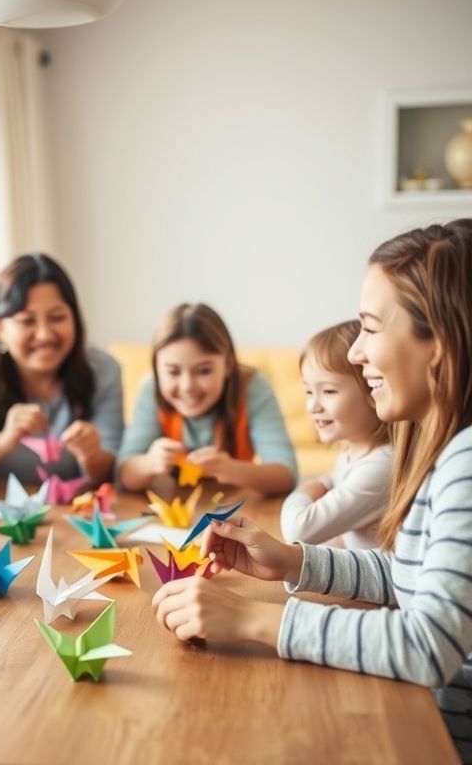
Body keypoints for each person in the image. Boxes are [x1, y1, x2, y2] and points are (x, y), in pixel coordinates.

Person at [152, 219, 472, 761]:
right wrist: (294, 561)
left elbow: (427, 647)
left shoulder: (465, 461)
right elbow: (416, 580)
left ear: (437, 344)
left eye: (370, 328)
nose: (355, 353)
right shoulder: (446, 452)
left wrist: (254, 619)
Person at [0, 253, 124, 485]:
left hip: (69, 514)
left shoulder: (103, 369)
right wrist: (4, 440)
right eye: (27, 321)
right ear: (0, 328)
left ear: (75, 320)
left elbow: (112, 471)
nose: (45, 335)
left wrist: (92, 454)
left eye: (57, 317)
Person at [117, 303, 296, 495]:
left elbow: (286, 476)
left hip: (237, 508)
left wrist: (231, 469)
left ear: (228, 364)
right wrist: (148, 464)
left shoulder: (253, 388)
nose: (187, 386)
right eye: (173, 372)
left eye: (203, 371)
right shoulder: (151, 389)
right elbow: (123, 474)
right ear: (157, 369)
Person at [280, 320, 392, 548]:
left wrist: (308, 488)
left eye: (328, 391)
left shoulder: (381, 467)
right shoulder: (352, 451)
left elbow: (297, 530)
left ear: (373, 390)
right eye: (309, 391)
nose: (313, 406)